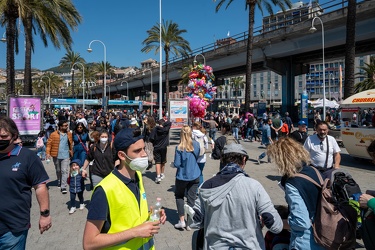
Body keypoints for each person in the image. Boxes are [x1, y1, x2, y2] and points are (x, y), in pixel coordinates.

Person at [82, 127, 167, 249]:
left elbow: (130, 217)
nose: (144, 154)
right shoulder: (104, 190)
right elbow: (89, 243)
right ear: (122, 155)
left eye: (143, 148)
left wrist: (152, 216)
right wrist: (135, 232)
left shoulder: (137, 176)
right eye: (137, 151)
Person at [188, 143, 283, 249]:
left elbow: (194, 222)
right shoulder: (254, 186)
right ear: (244, 159)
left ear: (222, 160)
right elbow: (276, 226)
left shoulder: (207, 186)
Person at [0, 116, 51, 248]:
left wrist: (44, 215)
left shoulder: (28, 157)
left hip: (13, 228)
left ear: (14, 136)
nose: (0, 139)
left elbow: (40, 186)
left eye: (4, 136)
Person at [268, 137, 325, 250]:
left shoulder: (292, 182)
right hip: (323, 236)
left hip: (305, 242)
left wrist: (277, 223)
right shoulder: (313, 171)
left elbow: (301, 222)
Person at [172, 125, 201, 230]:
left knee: (179, 196)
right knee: (191, 199)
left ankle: (181, 220)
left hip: (182, 176)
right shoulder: (196, 145)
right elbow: (197, 156)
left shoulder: (179, 147)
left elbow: (177, 164)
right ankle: (189, 222)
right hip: (194, 174)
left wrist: (173, 164)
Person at [46, 120, 73, 194]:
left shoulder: (69, 134)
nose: (66, 127)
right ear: (60, 126)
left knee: (64, 170)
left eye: (67, 125)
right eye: (64, 125)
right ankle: (59, 180)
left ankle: (63, 186)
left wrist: (71, 152)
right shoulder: (54, 134)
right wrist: (48, 153)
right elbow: (49, 144)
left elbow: (71, 144)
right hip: (56, 155)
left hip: (66, 155)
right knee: (58, 170)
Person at [149, 119, 171, 184]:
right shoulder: (166, 129)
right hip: (164, 147)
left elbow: (151, 138)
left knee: (157, 162)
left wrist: (154, 143)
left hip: (156, 147)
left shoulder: (155, 129)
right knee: (163, 161)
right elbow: (169, 122)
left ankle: (158, 176)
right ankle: (162, 173)